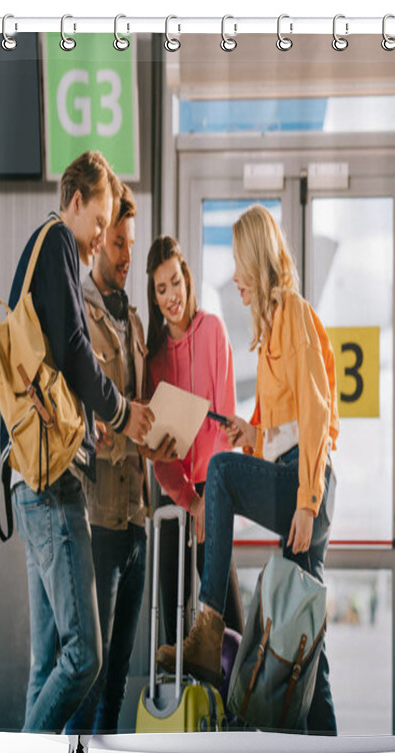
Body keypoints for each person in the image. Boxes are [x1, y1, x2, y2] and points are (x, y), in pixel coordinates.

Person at [155, 205, 340, 735]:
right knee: (299, 636)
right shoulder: (272, 327)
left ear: (258, 261)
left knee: (222, 475)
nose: (234, 277)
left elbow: (317, 413)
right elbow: (283, 430)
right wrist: (250, 433)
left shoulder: (295, 314)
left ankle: (209, 627)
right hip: (298, 480)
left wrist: (306, 502)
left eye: (238, 264)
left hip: (309, 490)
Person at [4, 151, 155, 733]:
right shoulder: (60, 244)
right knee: (84, 658)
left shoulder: (40, 248)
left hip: (29, 478)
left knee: (48, 665)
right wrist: (121, 412)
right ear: (75, 202)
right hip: (53, 483)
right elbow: (74, 350)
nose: (99, 240)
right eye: (100, 223)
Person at [64, 185, 175, 735]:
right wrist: (124, 429)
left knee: (117, 688)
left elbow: (136, 411)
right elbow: (88, 417)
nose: (127, 255)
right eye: (118, 244)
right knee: (88, 679)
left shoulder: (133, 320)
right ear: (97, 241)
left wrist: (159, 436)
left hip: (137, 520)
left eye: (131, 244)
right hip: (98, 522)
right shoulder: (78, 311)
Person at [145, 235, 244, 645]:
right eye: (161, 289)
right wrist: (190, 499)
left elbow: (224, 425)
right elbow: (161, 456)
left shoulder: (213, 332)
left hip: (215, 488)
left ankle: (235, 706)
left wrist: (210, 498)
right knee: (174, 619)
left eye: (175, 282)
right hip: (176, 497)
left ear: (187, 277)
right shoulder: (154, 360)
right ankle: (179, 702)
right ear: (154, 297)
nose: (171, 296)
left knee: (228, 617)